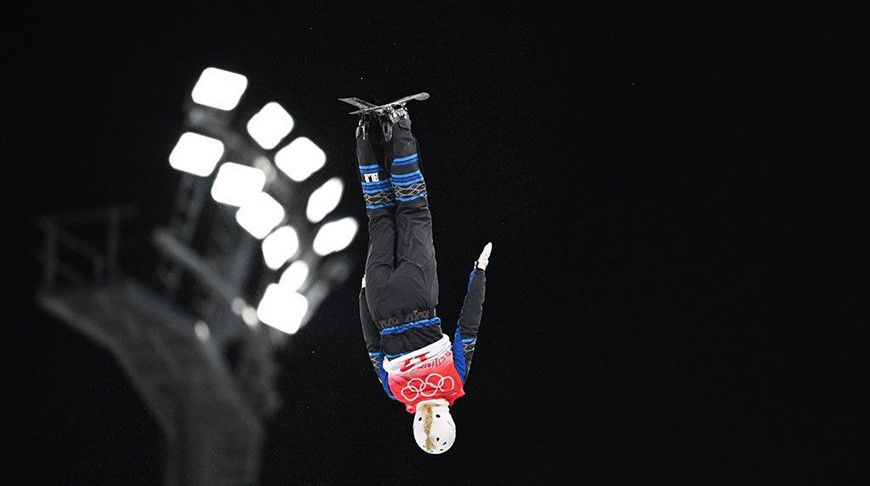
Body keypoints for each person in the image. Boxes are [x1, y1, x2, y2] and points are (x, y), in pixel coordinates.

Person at [355, 105, 491, 454]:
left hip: (418, 295)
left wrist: (479, 272)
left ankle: (399, 125)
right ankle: (366, 135)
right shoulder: (395, 391)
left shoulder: (455, 381)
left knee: (413, 211)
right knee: (379, 217)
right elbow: (371, 345)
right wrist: (364, 297)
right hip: (380, 302)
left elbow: (469, 326)